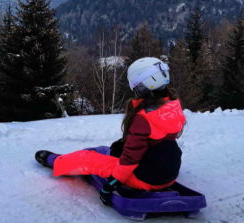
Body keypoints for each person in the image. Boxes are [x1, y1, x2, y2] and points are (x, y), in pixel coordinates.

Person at [35, 57, 186, 201]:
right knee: (107, 150)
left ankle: (54, 161)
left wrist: (113, 183)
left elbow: (130, 159)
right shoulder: (173, 104)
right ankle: (76, 158)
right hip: (168, 173)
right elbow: (155, 138)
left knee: (88, 159)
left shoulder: (144, 117)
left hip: (144, 178)